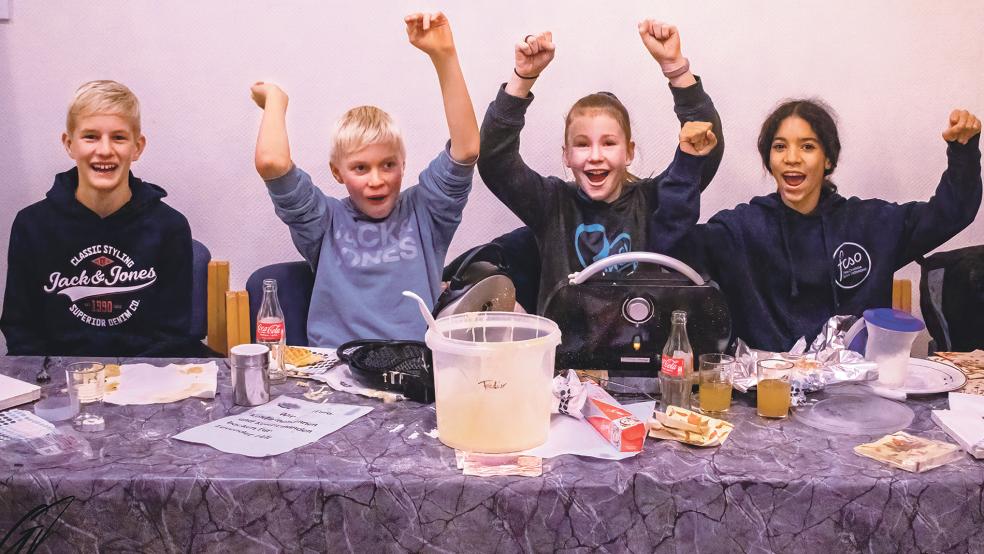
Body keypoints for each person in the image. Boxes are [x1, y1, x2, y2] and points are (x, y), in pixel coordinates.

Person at [674, 100, 982, 351]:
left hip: (852, 400)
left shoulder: (871, 224)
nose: (792, 158)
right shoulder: (740, 229)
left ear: (829, 160)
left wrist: (963, 152)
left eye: (807, 147)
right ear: (769, 161)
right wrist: (688, 164)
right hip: (765, 394)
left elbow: (950, 213)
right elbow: (673, 244)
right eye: (780, 147)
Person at [251, 12, 480, 347]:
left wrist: (443, 56)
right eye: (360, 168)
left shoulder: (426, 212)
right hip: (334, 370)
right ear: (337, 172)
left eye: (388, 165)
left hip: (413, 368)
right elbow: (271, 162)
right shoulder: (324, 222)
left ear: (403, 165)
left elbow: (467, 148)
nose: (377, 180)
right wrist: (275, 100)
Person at [477, 21, 721, 313]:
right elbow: (495, 160)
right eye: (582, 144)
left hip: (643, 349)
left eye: (608, 143)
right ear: (566, 156)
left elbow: (705, 148)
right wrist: (522, 80)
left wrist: (676, 68)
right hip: (564, 353)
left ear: (629, 152)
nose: (595, 156)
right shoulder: (552, 204)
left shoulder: (652, 200)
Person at [1, 80, 205, 357]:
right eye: (90, 137)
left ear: (137, 147)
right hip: (61, 383)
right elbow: (20, 329)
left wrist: (124, 385)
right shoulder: (31, 225)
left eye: (119, 138)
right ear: (69, 144)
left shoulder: (169, 227)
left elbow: (173, 336)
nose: (105, 150)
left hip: (145, 381)